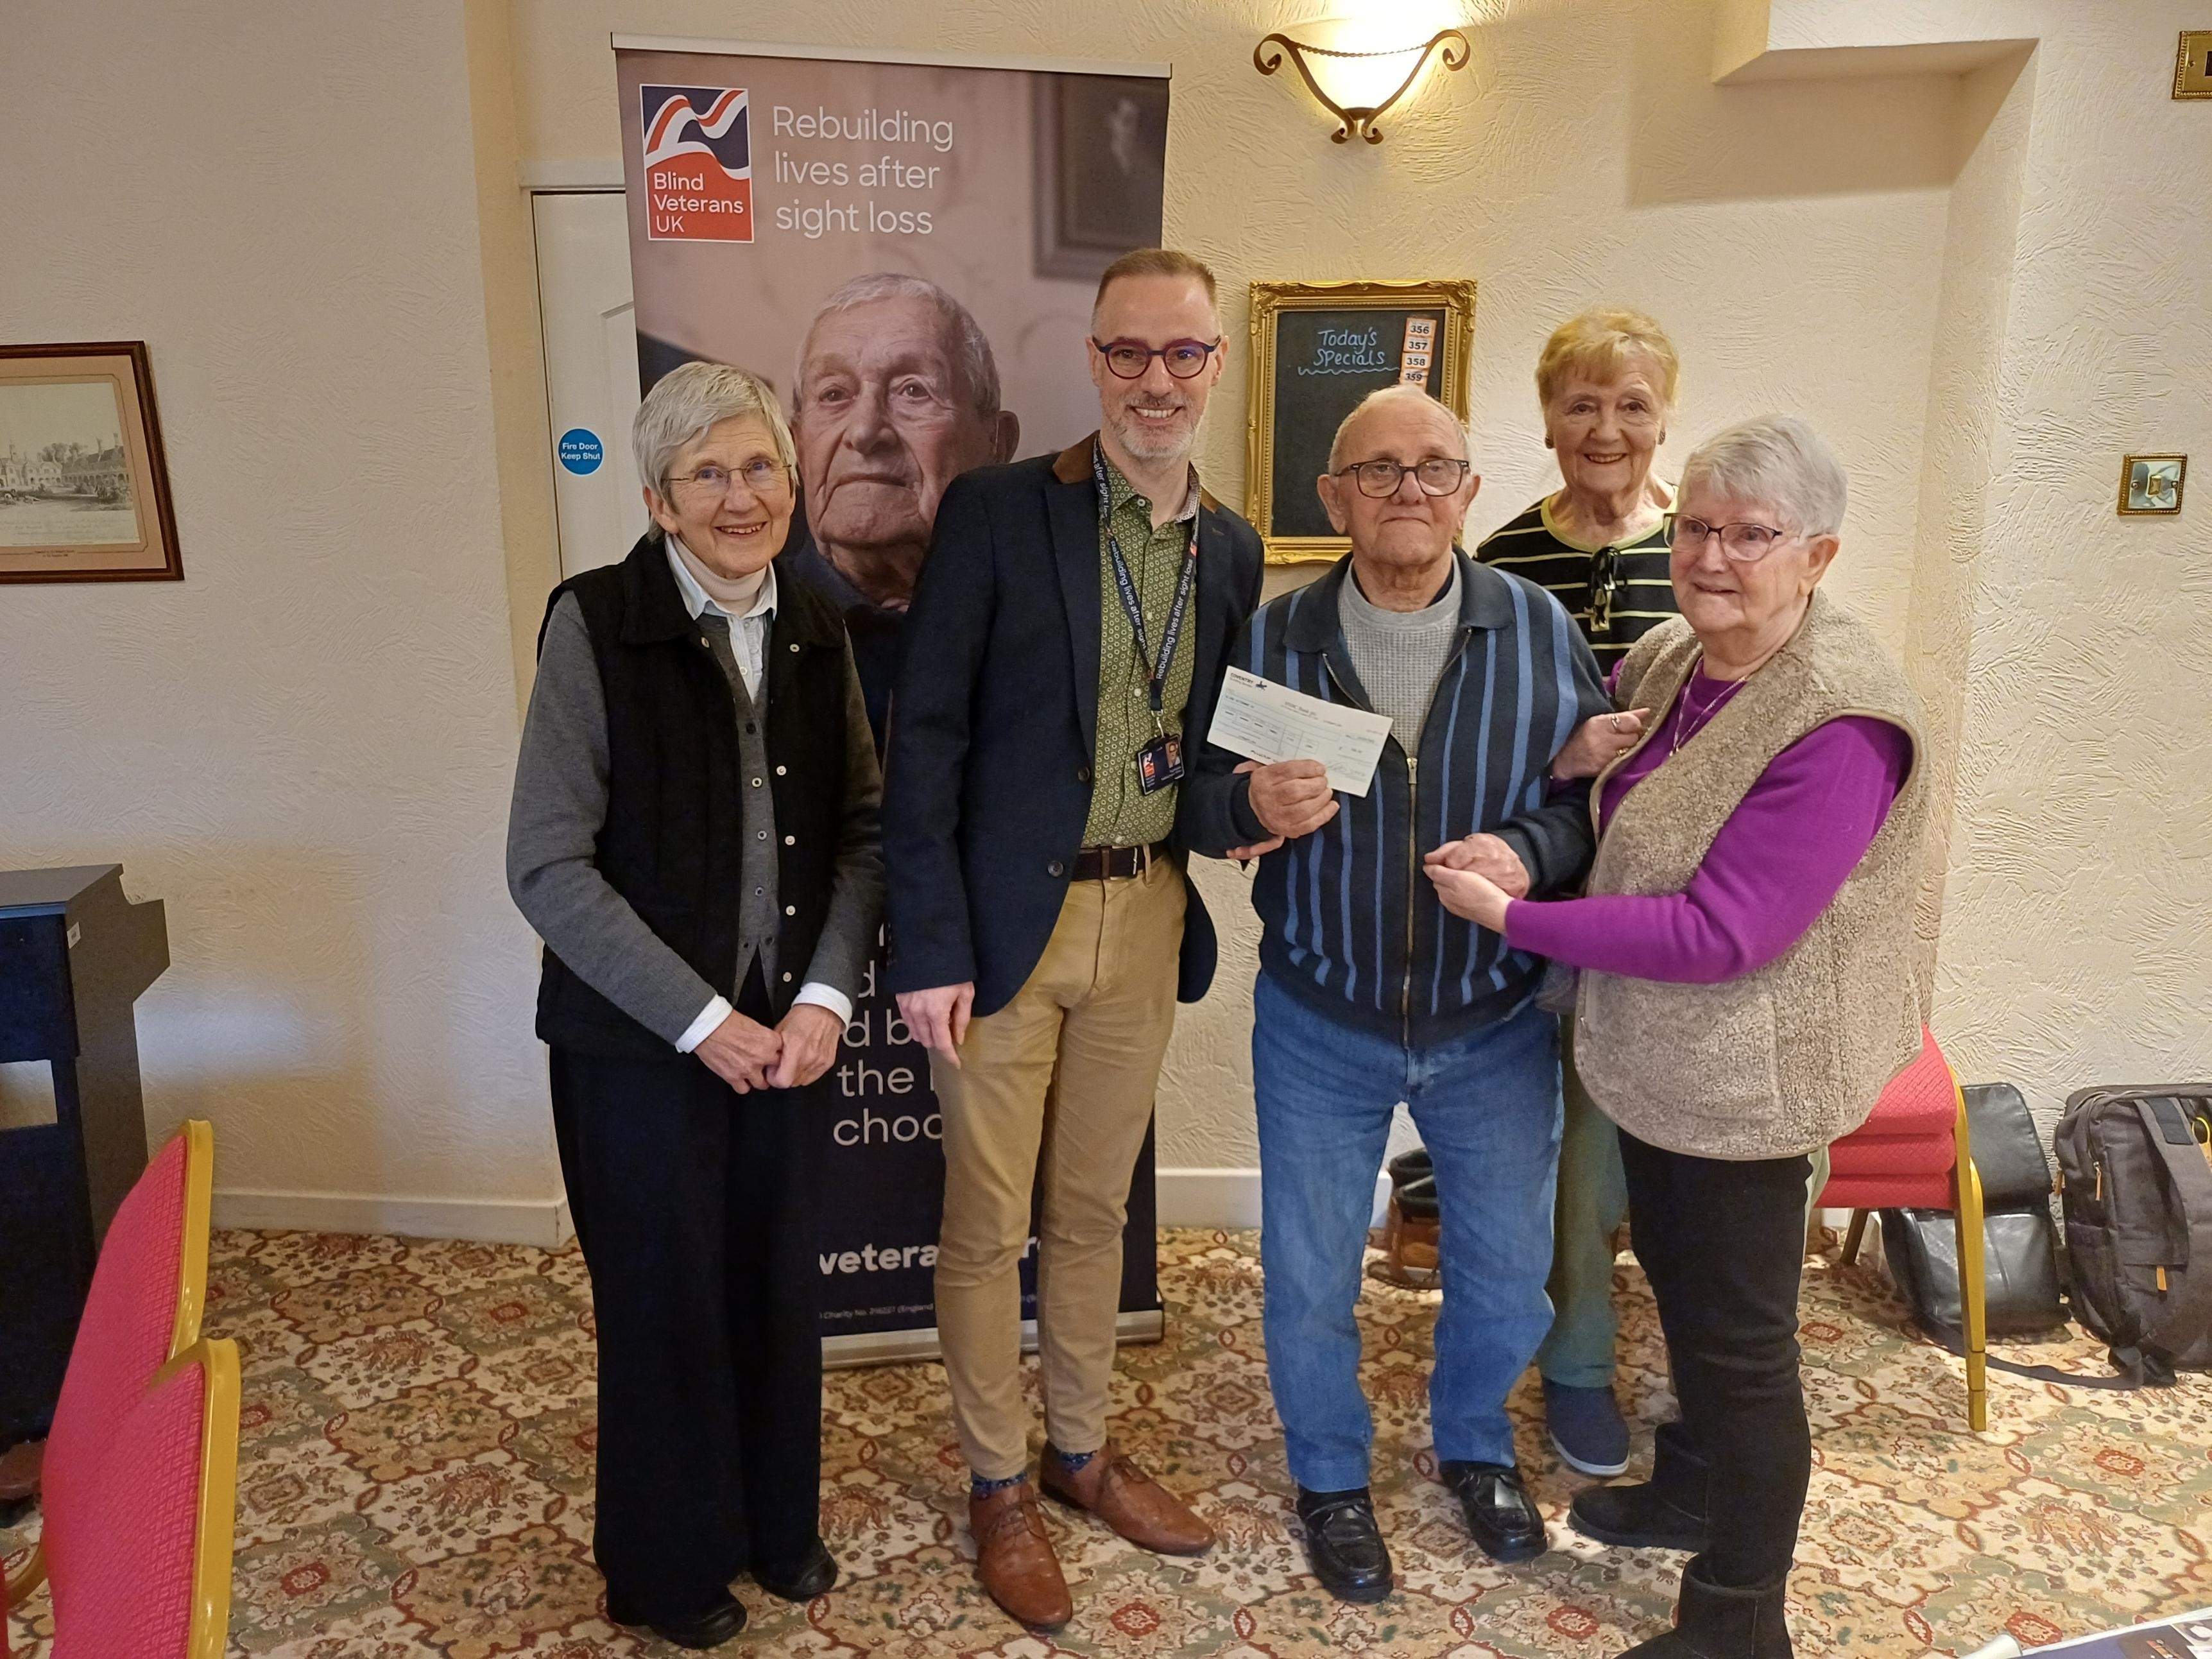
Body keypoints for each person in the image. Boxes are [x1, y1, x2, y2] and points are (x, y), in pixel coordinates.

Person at [1428, 415, 1929, 1659]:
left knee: (1743, 1349)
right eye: (1696, 524)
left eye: (1748, 535)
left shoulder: (1839, 717)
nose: (1710, 555)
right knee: (1685, 1291)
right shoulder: (1672, 654)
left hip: (1749, 1083)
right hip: (1656, 1062)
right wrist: (1561, 761)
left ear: (1814, 555)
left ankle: (1736, 1617)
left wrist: (1519, 913)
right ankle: (1691, 1487)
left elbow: (1723, 931)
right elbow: (1605, 780)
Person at [883, 248, 1262, 1630]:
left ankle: (1081, 1448)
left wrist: (1252, 808)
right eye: (1127, 353)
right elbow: (921, 735)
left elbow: (1210, 755)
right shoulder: (994, 511)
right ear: (1092, 360)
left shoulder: (1227, 545)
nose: (1154, 381)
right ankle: (997, 1476)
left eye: (1182, 355)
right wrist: (927, 939)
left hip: (1147, 910)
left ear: (1213, 364)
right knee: (986, 1221)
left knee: (1093, 1210)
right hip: (1001, 925)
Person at [1185, 383, 1612, 1604]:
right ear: (1333, 499)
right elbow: (1199, 804)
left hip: (1494, 1025)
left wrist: (1531, 852)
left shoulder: (1534, 628)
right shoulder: (1273, 639)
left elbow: (1588, 805)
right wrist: (1239, 810)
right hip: (1321, 1020)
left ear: (1470, 491)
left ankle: (1474, 1448)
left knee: (1502, 1271)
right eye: (1377, 473)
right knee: (1310, 1273)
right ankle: (1328, 1475)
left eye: (1433, 470)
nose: (1407, 493)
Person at [507, 361, 883, 1650]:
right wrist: (699, 1019)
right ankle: (664, 1565)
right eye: (708, 473)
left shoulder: (821, 624)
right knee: (664, 1302)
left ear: (794, 480)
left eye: (761, 466)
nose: (741, 495)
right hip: (638, 1050)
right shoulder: (592, 622)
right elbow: (546, 865)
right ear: (660, 499)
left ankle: (774, 1524)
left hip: (789, 1036)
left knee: (774, 1286)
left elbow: (866, 832)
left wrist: (824, 994)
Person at [1474, 307, 1684, 1477]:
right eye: (1582, 404)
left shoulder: (1699, 548)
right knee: (1576, 1155)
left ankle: (1707, 1369)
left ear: (1664, 420)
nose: (1606, 428)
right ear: (1548, 420)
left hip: (1686, 908)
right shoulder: (1504, 559)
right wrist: (1558, 767)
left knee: (1693, 1154)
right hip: (1556, 905)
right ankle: (1575, 1368)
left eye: (1632, 404)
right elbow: (1480, 744)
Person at [784, 272, 1023, 735]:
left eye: (914, 390)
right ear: (796, 444)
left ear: (997, 442)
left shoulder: (1041, 627)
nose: (865, 432)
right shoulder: (749, 630)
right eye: (834, 394)